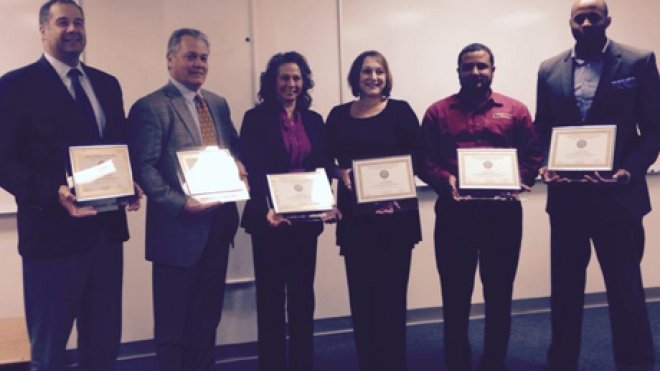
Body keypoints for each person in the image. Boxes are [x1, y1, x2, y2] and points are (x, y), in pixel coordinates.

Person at [0, 0, 141, 369]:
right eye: (63, 22)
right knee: (49, 350)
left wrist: (131, 181)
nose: (73, 29)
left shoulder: (107, 85)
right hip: (51, 239)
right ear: (43, 30)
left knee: (103, 344)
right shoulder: (14, 86)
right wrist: (53, 192)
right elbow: (4, 161)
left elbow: (119, 146)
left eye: (79, 22)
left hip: (106, 236)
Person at [534, 1, 660, 370]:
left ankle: (635, 364)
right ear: (570, 23)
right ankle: (562, 363)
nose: (586, 22)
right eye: (579, 17)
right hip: (567, 200)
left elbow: (654, 129)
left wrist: (628, 171)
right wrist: (545, 164)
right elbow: (543, 130)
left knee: (626, 291)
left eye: (594, 16)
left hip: (618, 196)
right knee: (565, 289)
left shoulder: (638, 61)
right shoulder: (548, 69)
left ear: (607, 20)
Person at [420, 43, 542, 371]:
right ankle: (456, 360)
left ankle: (494, 361)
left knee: (499, 292)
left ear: (492, 70)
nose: (475, 72)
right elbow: (424, 160)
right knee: (455, 293)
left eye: (482, 66)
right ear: (458, 70)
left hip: (502, 217)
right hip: (454, 216)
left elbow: (533, 154)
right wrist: (444, 180)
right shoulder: (437, 112)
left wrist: (520, 180)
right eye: (468, 66)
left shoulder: (515, 110)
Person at [128, 28, 242, 371]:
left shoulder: (218, 104)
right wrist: (181, 203)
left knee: (207, 320)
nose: (198, 64)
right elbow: (144, 167)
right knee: (172, 325)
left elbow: (231, 149)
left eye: (203, 57)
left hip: (219, 227)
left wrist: (238, 164)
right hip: (177, 232)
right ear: (170, 60)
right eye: (190, 56)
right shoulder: (151, 106)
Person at [326, 50, 423, 371]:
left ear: (387, 76)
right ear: (356, 77)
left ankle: (394, 363)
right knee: (362, 298)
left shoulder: (401, 111)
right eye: (366, 71)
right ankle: (368, 361)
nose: (373, 77)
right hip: (356, 222)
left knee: (392, 299)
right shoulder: (338, 115)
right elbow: (324, 160)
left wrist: (395, 195)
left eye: (379, 71)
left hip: (396, 218)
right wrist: (339, 173)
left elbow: (418, 159)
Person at [240, 51, 336, 371]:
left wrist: (327, 203)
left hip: (305, 223)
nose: (291, 84)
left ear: (304, 81)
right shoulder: (255, 119)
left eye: (296, 78)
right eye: (284, 78)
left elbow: (321, 167)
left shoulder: (314, 120)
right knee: (270, 300)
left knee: (301, 299)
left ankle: (302, 363)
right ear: (272, 82)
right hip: (270, 222)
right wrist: (264, 210)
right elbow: (251, 171)